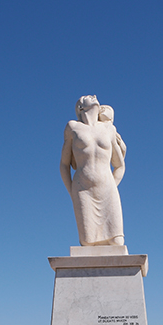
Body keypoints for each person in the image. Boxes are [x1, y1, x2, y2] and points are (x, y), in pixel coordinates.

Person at [60, 95, 127, 246]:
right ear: (80, 107)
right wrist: (72, 191)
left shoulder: (108, 129)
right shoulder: (72, 127)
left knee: (117, 242)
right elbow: (64, 164)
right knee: (87, 242)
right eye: (88, 97)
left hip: (107, 190)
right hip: (83, 190)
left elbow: (119, 165)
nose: (94, 96)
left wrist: (110, 186)